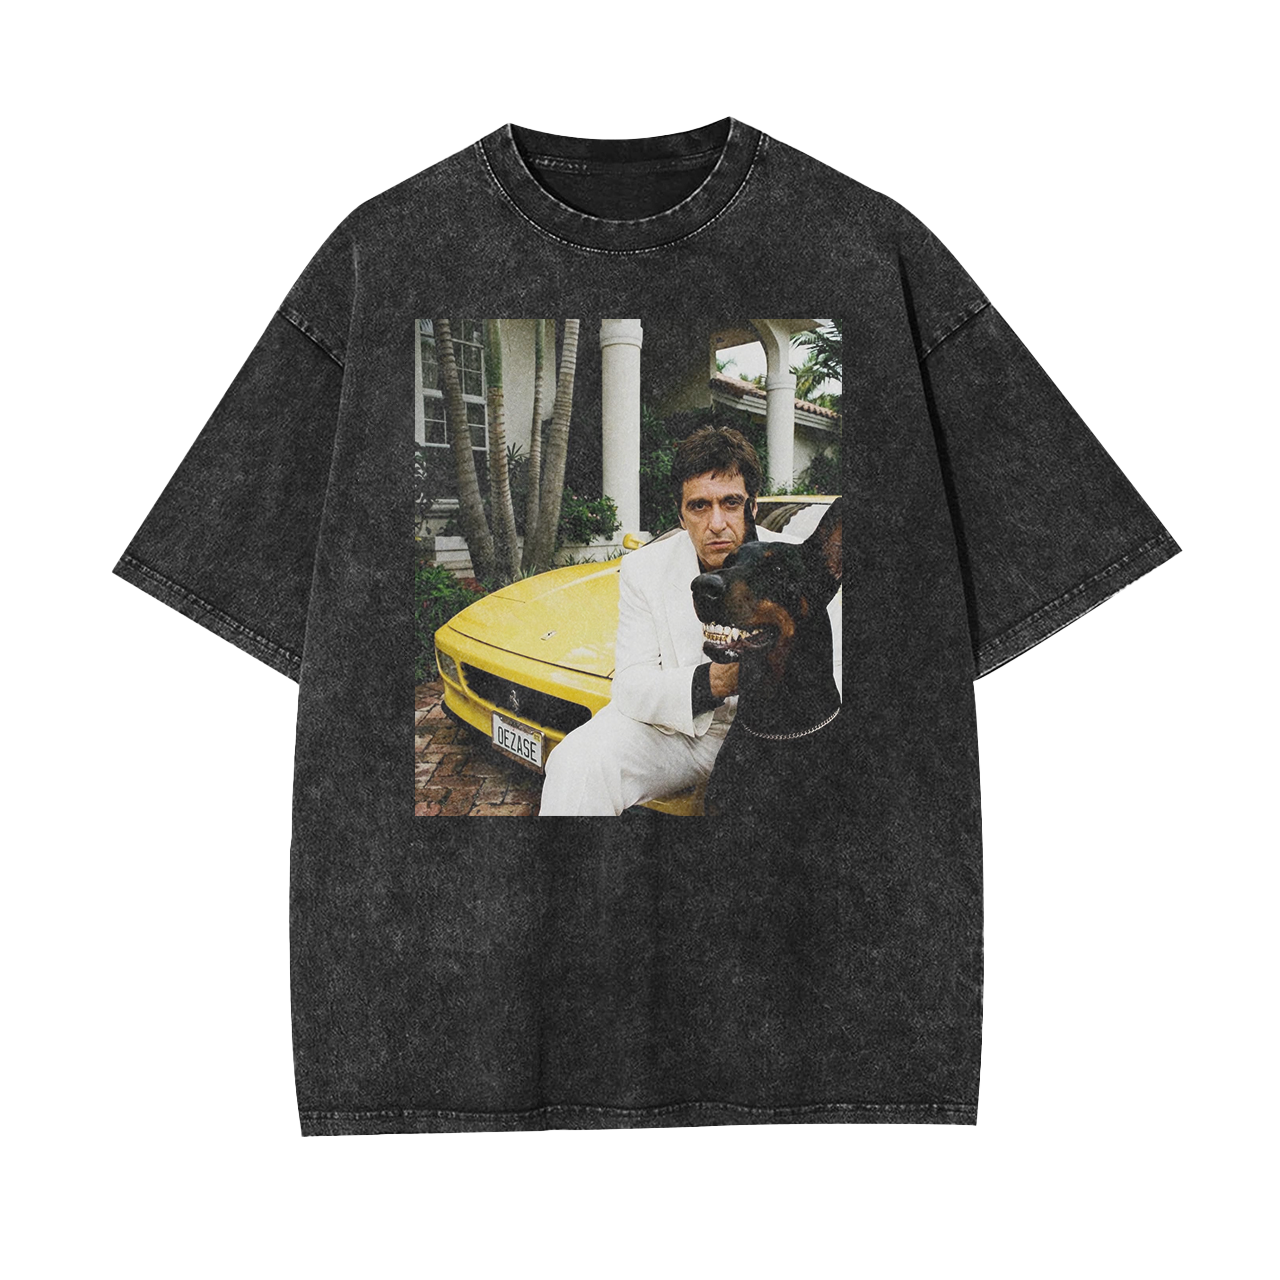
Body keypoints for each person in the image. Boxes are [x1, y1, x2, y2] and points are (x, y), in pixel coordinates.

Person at [539, 425, 840, 816]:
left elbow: (835, 671)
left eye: (730, 503)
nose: (716, 523)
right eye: (699, 506)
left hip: (784, 734)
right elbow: (630, 686)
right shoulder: (643, 570)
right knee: (577, 761)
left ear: (752, 506)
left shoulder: (798, 564)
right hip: (682, 735)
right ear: (680, 515)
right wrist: (715, 681)